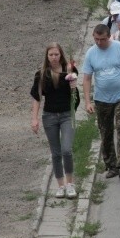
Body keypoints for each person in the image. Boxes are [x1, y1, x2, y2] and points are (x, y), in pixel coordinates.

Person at [82, 24, 120, 182]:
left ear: (109, 36)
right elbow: (86, 78)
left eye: (102, 39)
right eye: (96, 39)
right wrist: (87, 101)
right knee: (105, 132)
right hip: (101, 99)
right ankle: (111, 165)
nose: (99, 42)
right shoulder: (91, 53)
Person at [30, 43, 79, 199]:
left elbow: (74, 96)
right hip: (49, 116)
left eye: (56, 54)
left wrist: (73, 84)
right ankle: (60, 185)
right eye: (51, 55)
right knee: (56, 153)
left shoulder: (69, 70)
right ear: (47, 56)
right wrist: (34, 118)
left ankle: (70, 183)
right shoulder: (42, 74)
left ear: (61, 55)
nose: (54, 57)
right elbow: (37, 97)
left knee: (66, 149)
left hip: (66, 114)